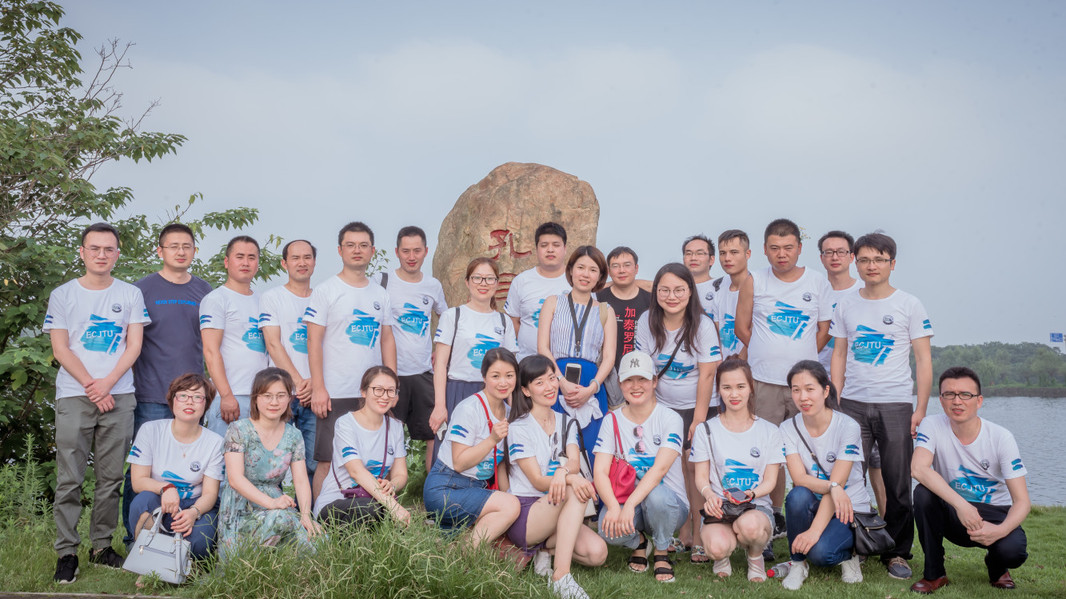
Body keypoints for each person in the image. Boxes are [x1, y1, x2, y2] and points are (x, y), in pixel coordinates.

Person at [46, 222, 150, 583]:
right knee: (70, 478)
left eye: (108, 249)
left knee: (111, 478)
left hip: (119, 394)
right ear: (82, 252)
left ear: (117, 254)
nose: (101, 255)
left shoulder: (130, 294)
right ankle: (67, 552)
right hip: (75, 394)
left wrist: (107, 385)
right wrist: (93, 387)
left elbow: (134, 345)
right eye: (94, 248)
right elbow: (61, 348)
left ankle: (101, 546)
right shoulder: (63, 294)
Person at [830, 232, 934, 580]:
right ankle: (854, 546)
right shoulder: (846, 304)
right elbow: (839, 354)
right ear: (855, 262)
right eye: (864, 259)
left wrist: (920, 408)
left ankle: (897, 552)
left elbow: (923, 359)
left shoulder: (909, 304)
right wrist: (836, 400)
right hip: (852, 404)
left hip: (896, 404)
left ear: (892, 263)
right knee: (848, 479)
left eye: (879, 259)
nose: (871, 266)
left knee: (897, 483)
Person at [736, 218, 833, 544]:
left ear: (799, 249)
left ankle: (814, 515)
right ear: (764, 250)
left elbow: (823, 330)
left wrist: (801, 359)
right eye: (775, 248)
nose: (782, 254)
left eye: (788, 248)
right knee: (769, 454)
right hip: (763, 382)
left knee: (812, 450)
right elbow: (741, 328)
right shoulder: (754, 280)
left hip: (804, 385)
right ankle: (771, 515)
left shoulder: (817, 282)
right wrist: (768, 352)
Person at [123, 222, 213, 548]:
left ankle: (182, 536)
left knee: (190, 469)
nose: (180, 251)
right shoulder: (142, 290)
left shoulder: (205, 291)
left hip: (193, 397)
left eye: (186, 246)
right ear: (160, 250)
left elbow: (212, 343)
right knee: (142, 470)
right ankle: (133, 539)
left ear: (194, 251)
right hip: (151, 392)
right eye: (173, 246)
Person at [910, 367, 1030, 593]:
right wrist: (962, 506)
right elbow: (918, 468)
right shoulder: (931, 425)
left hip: (994, 513)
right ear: (941, 399)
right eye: (949, 394)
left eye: (965, 394)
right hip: (955, 512)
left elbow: (1022, 502)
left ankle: (997, 566)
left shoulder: (1001, 437)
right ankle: (935, 574)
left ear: (979, 401)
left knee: (1012, 552)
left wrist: (1000, 531)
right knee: (923, 494)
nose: (957, 401)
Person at [634, 263, 721, 557]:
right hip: (662, 408)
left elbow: (707, 374)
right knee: (672, 470)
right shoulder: (647, 321)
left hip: (698, 407)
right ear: (656, 292)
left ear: (690, 292)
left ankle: (700, 534)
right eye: (665, 290)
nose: (672, 296)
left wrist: (698, 420)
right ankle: (681, 532)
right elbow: (645, 369)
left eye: (679, 290)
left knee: (696, 470)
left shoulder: (702, 324)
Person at [305, 221, 397, 498]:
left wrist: (392, 388)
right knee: (327, 460)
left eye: (363, 245)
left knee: (376, 461)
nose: (357, 250)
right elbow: (313, 341)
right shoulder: (326, 291)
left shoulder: (380, 294)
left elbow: (387, 340)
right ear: (340, 250)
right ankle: (319, 515)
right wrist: (319, 388)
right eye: (351, 245)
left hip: (372, 393)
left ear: (372, 251)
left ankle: (378, 512)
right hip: (335, 391)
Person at [505, 355, 607, 599]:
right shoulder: (518, 427)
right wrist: (570, 478)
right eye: (539, 382)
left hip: (557, 508)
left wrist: (563, 473)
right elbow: (538, 481)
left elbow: (573, 463)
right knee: (574, 489)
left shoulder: (566, 421)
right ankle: (561, 577)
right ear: (526, 390)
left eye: (552, 379)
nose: (550, 387)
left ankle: (544, 551)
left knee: (597, 553)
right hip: (527, 513)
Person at [594, 351, 688, 583]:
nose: (635, 386)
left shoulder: (670, 418)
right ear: (620, 384)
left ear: (654, 381)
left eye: (642, 379)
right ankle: (640, 542)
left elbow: (659, 470)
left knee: (657, 497)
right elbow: (600, 472)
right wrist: (614, 507)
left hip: (669, 504)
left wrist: (629, 505)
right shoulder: (611, 420)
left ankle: (662, 551)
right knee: (606, 529)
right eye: (629, 380)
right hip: (628, 502)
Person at [691, 358, 783, 582]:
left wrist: (751, 494)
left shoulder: (770, 431)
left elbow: (770, 481)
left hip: (756, 507)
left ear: (751, 388)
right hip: (720, 509)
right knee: (716, 547)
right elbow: (701, 477)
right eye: (727, 387)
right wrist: (709, 495)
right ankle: (722, 556)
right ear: (719, 390)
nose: (734, 394)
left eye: (740, 386)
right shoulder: (706, 430)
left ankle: (756, 556)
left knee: (751, 527)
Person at [778, 360, 867, 590]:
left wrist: (814, 532)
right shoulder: (787, 428)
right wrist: (832, 486)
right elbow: (800, 478)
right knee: (797, 495)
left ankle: (850, 555)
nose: (803, 397)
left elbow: (840, 483)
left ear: (826, 391)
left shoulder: (848, 426)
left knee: (821, 554)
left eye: (810, 389)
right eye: (796, 390)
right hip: (816, 501)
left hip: (848, 507)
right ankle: (798, 564)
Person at [817, 230, 888, 516]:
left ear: (851, 257)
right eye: (828, 252)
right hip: (820, 384)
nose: (835, 257)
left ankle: (884, 523)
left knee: (875, 461)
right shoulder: (815, 289)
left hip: (858, 386)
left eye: (841, 252)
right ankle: (836, 516)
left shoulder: (865, 290)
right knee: (831, 454)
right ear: (821, 257)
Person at [217, 368, 320, 556]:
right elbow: (235, 479)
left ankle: (280, 564)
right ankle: (248, 561)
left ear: (289, 398)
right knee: (281, 519)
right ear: (256, 398)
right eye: (267, 396)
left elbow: (301, 480)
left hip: (277, 504)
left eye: (281, 396)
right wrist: (271, 503)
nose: (274, 402)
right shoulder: (238, 430)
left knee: (318, 541)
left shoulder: (294, 435)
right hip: (242, 506)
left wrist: (306, 515)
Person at [423, 348, 520, 548]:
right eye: (496, 376)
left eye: (509, 376)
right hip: (446, 486)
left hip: (477, 488)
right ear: (484, 377)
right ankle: (465, 552)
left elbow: (500, 463)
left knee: (510, 520)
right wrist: (492, 439)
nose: (503, 382)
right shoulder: (469, 409)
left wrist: (507, 494)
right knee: (510, 507)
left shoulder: (509, 413)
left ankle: (450, 535)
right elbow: (459, 463)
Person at [127, 374, 224, 561]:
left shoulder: (215, 442)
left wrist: (194, 512)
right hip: (159, 500)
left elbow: (210, 494)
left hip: (194, 503)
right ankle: (146, 559)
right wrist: (166, 487)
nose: (190, 402)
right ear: (172, 400)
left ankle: (180, 562)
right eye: (183, 396)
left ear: (206, 403)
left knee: (200, 544)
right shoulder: (150, 430)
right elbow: (138, 482)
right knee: (142, 503)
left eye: (197, 397)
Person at [428, 258, 518, 457]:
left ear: (497, 283)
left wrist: (512, 406)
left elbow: (511, 370)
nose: (483, 283)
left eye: (489, 279)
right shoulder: (453, 316)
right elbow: (440, 365)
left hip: (495, 394)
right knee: (453, 453)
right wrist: (440, 405)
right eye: (477, 278)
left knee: (492, 454)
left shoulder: (504, 321)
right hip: (458, 391)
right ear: (467, 282)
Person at [375, 226, 448, 471]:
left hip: (424, 372)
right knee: (384, 436)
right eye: (406, 251)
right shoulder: (382, 281)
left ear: (426, 251)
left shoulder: (433, 285)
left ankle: (433, 488)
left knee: (433, 433)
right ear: (397, 252)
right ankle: (384, 489)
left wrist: (440, 348)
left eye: (417, 250)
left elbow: (445, 317)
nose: (411, 256)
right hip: (390, 373)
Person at [537, 245, 616, 467]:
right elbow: (542, 347)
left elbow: (609, 356)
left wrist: (592, 388)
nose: (585, 274)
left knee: (592, 446)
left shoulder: (606, 310)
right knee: (554, 443)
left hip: (591, 383)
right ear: (571, 270)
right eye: (581, 267)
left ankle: (594, 489)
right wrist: (560, 381)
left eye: (593, 270)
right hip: (554, 379)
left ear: (600, 276)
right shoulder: (553, 302)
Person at [314, 366, 411, 526]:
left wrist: (392, 485)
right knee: (371, 510)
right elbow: (356, 471)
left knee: (378, 511)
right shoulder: (346, 424)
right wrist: (393, 506)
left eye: (390, 391)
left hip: (375, 500)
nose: (384, 396)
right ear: (363, 392)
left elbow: (401, 474)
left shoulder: (395, 427)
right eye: (378, 390)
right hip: (337, 501)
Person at [259, 239, 318, 480]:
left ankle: (311, 505)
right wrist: (299, 382)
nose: (302, 263)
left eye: (307, 257)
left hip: (315, 394)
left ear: (314, 262)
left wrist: (315, 383)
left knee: (314, 461)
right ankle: (275, 504)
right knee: (273, 463)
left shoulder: (323, 297)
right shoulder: (272, 297)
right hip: (281, 393)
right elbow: (273, 344)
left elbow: (331, 347)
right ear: (284, 263)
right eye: (295, 258)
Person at [200, 235, 269, 438]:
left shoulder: (264, 300)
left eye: (251, 257)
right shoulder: (216, 299)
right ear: (226, 261)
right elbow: (210, 351)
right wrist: (226, 395)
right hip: (232, 396)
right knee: (225, 456)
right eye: (239, 257)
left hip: (262, 396)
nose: (246, 263)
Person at [596, 246, 652, 409]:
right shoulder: (598, 298)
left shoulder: (650, 299)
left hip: (640, 374)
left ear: (636, 268)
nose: (621, 270)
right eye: (615, 266)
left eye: (627, 265)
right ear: (609, 271)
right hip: (606, 375)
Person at [505, 222, 571, 360]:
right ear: (536, 249)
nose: (550, 250)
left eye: (556, 245)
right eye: (544, 245)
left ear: (565, 249)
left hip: (565, 362)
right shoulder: (522, 281)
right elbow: (513, 321)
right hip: (527, 362)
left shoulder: (575, 280)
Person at [710, 230, 751, 360]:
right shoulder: (719, 292)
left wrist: (739, 363)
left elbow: (757, 334)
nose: (727, 258)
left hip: (751, 366)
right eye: (723, 253)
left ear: (747, 254)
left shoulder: (758, 288)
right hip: (724, 367)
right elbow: (716, 337)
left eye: (734, 252)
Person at [682, 234, 717, 319]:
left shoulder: (721, 287)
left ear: (711, 260)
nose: (693, 258)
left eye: (700, 253)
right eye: (688, 253)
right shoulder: (675, 289)